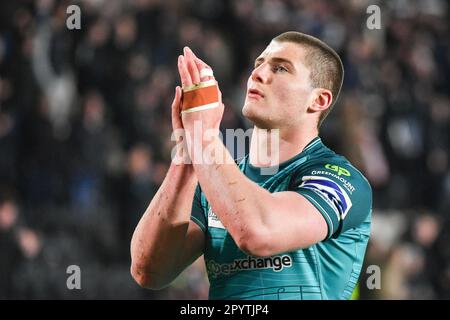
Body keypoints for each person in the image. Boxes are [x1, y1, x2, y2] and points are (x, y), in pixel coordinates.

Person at [130, 31, 372, 300]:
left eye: (280, 68)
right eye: (259, 64)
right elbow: (149, 271)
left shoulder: (340, 179)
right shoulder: (212, 182)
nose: (257, 74)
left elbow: (258, 233)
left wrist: (205, 137)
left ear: (318, 100)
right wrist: (187, 155)